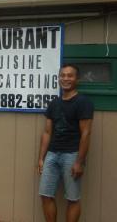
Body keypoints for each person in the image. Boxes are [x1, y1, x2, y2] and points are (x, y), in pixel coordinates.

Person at [38, 64, 94, 222]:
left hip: (72, 155)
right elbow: (47, 132)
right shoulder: (54, 103)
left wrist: (80, 161)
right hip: (52, 154)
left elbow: (86, 133)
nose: (65, 79)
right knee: (45, 195)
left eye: (70, 75)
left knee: (73, 199)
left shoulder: (83, 102)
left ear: (77, 79)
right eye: (62, 75)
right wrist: (41, 158)